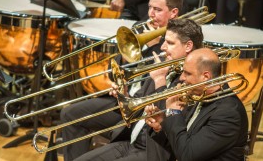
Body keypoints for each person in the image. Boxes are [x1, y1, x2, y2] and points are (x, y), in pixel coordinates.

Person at [60, 0, 184, 161]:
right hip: (124, 100)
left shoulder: (178, 40)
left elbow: (166, 80)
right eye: (149, 7)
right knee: (70, 114)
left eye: (157, 9)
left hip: (146, 110)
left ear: (173, 13)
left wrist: (152, 48)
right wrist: (127, 62)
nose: (151, 14)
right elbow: (115, 70)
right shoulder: (141, 27)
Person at [73, 18, 204, 161]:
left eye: (170, 43)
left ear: (188, 46)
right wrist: (123, 95)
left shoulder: (192, 80)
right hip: (130, 141)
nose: (162, 47)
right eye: (165, 41)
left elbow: (169, 122)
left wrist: (160, 81)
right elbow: (136, 104)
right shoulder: (165, 66)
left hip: (154, 151)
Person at [145, 48, 249, 161]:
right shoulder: (199, 94)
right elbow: (180, 141)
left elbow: (187, 155)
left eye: (187, 73)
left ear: (206, 76)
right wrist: (162, 125)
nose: (182, 78)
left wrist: (173, 113)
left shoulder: (228, 113)